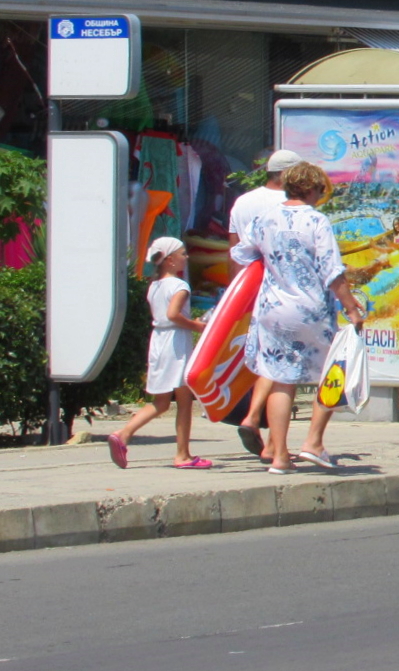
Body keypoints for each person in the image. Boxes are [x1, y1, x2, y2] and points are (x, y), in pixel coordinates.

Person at [231, 162, 365, 473]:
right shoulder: (316, 221)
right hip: (309, 309)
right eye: (320, 190)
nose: (321, 196)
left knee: (281, 377)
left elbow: (242, 253)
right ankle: (314, 443)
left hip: (271, 309)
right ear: (312, 188)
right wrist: (352, 308)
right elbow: (332, 271)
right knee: (331, 373)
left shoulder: (265, 218)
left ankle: (279, 456)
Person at [105, 237, 211, 470]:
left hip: (159, 340)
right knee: (184, 400)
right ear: (170, 260)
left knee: (161, 401)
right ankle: (182, 454)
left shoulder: (154, 286)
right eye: (183, 254)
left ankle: (124, 434)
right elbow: (173, 314)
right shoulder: (179, 286)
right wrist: (197, 326)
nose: (186, 257)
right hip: (176, 343)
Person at [228, 148, 300, 455]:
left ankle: (265, 432)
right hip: (283, 291)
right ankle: (266, 433)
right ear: (287, 175)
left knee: (263, 361)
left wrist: (236, 293)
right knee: (284, 366)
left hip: (248, 287)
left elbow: (234, 250)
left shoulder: (243, 202)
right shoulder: (290, 206)